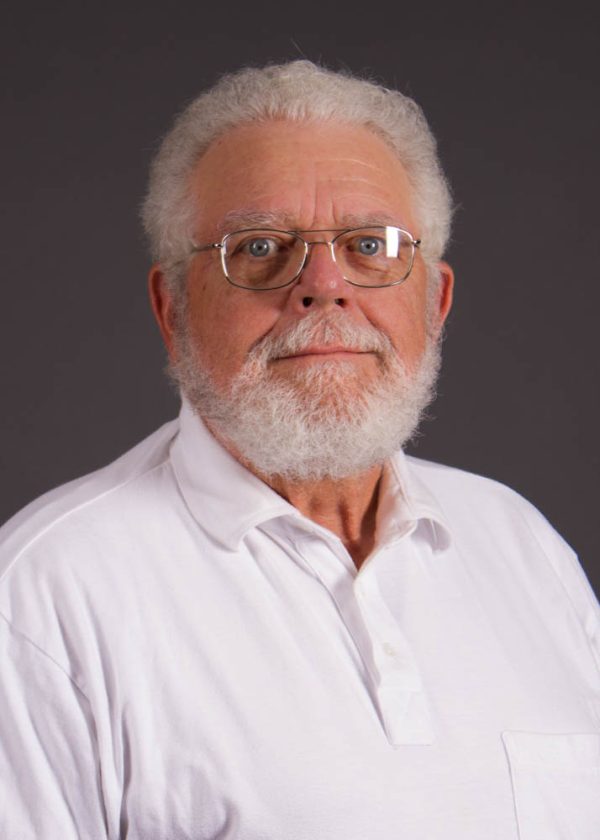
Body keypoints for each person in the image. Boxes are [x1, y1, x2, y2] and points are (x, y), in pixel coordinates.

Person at [1, 61, 599, 840]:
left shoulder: (522, 546)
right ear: (171, 308)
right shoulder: (43, 598)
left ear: (436, 301)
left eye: (370, 245)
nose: (323, 285)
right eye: (259, 247)